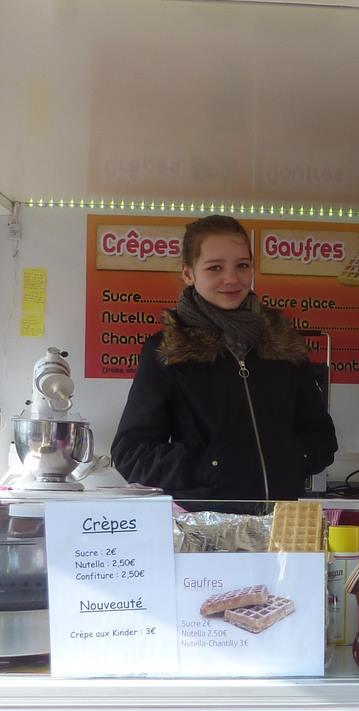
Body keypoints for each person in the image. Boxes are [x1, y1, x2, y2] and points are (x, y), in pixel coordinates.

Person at [112, 215, 337, 503]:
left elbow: (321, 437)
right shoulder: (168, 349)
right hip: (202, 521)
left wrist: (291, 460)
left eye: (242, 265)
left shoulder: (283, 343)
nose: (231, 279)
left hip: (281, 520)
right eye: (215, 267)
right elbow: (131, 453)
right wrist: (211, 467)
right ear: (188, 274)